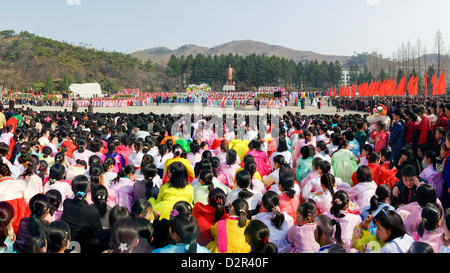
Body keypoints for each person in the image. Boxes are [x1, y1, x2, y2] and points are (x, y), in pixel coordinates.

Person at [61, 175, 103, 253]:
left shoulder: (66, 203)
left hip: (67, 244)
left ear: (72, 189)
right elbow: (99, 232)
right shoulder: (92, 211)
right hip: (82, 247)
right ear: (88, 189)